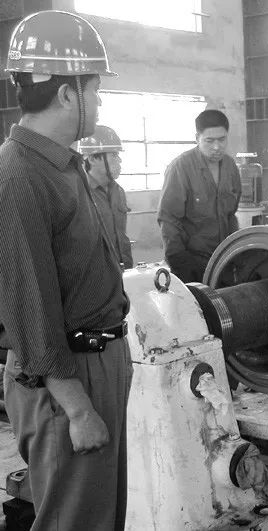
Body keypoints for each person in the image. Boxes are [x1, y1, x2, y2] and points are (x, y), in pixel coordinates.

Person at [0, 10, 132, 531]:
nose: (99, 102)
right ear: (67, 93)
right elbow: (29, 307)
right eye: (96, 91)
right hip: (67, 378)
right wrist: (77, 409)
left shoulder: (62, 164)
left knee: (100, 515)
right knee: (75, 522)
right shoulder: (18, 174)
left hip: (95, 362)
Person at [157, 110, 241, 283]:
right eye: (209, 141)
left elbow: (231, 215)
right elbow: (168, 219)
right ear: (197, 138)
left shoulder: (230, 166)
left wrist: (236, 251)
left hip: (224, 258)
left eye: (222, 139)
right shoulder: (181, 167)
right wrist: (179, 261)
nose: (217, 147)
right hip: (192, 261)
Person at [79, 124, 134, 269]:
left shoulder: (118, 191)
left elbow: (121, 236)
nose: (119, 160)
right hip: (96, 275)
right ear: (92, 159)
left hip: (124, 270)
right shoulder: (79, 194)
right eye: (114, 155)